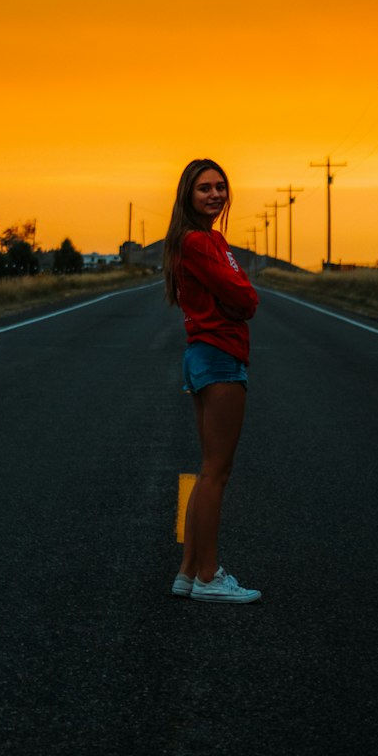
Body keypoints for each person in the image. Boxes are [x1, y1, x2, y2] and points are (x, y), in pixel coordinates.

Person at [163, 158, 261, 604]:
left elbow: (238, 294)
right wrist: (241, 295)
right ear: (188, 195)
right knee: (217, 472)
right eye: (205, 188)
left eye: (221, 186)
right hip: (219, 355)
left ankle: (187, 572)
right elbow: (244, 296)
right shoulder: (199, 243)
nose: (215, 194)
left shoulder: (211, 240)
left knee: (208, 471)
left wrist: (239, 295)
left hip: (207, 354)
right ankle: (208, 577)